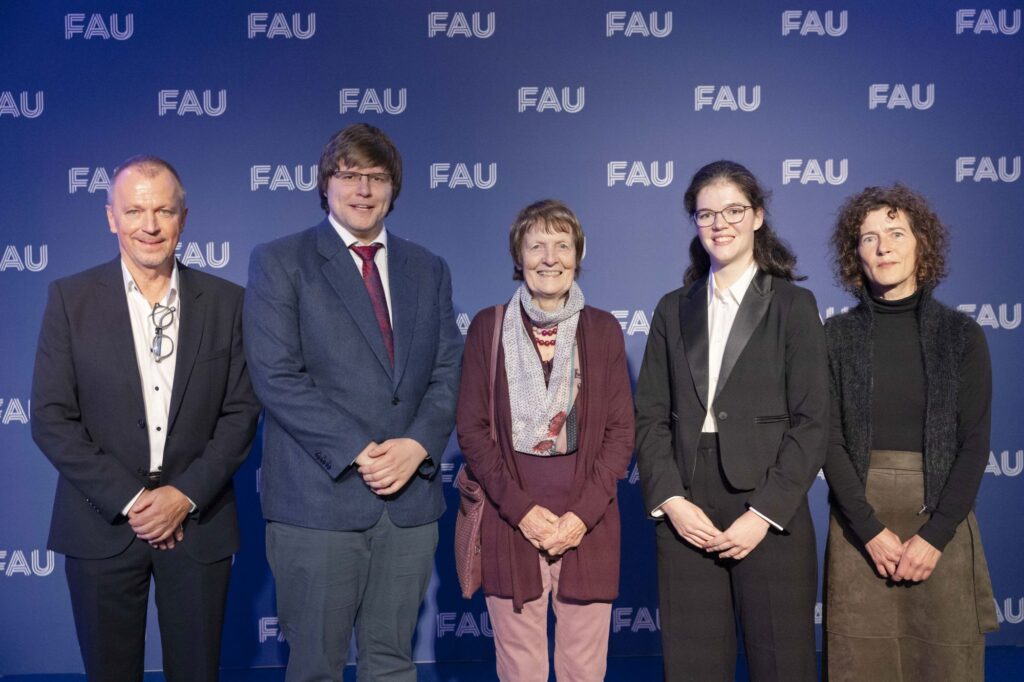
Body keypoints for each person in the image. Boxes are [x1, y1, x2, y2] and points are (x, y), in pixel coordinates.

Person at [244, 123, 462, 682]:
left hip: (409, 505)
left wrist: (416, 445)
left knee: (392, 664)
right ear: (326, 184)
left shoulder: (428, 268)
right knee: (315, 666)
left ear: (393, 188)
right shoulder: (280, 261)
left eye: (377, 176)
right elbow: (276, 376)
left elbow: (447, 370)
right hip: (319, 502)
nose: (363, 189)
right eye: (349, 175)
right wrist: (360, 451)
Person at [31, 155, 261, 682]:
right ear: (111, 217)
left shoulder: (228, 303)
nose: (149, 226)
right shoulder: (71, 300)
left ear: (184, 217)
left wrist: (182, 496)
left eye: (163, 210)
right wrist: (135, 502)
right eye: (134, 210)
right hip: (100, 525)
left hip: (198, 525)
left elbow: (240, 412)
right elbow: (50, 417)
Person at [635, 160, 828, 681]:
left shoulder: (793, 304)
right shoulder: (673, 309)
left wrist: (763, 513)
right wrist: (672, 501)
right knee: (693, 667)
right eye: (705, 214)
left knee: (782, 664)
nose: (720, 223)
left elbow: (813, 422)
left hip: (768, 504)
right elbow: (649, 416)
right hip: (686, 505)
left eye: (733, 210)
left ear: (758, 216)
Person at [822, 184, 998, 681]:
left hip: (939, 525)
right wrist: (871, 531)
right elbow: (827, 441)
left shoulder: (962, 336)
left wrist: (935, 537)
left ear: (922, 244)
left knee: (944, 663)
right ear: (854, 253)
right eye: (869, 237)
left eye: (896, 233)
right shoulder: (833, 337)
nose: (884, 247)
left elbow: (973, 444)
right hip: (860, 528)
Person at [456, 199, 634, 682]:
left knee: (583, 670)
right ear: (519, 256)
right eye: (537, 246)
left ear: (578, 254)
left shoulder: (601, 330)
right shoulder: (488, 328)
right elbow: (472, 431)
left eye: (561, 245)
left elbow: (621, 434)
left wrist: (580, 517)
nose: (549, 258)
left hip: (588, 522)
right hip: (509, 520)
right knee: (521, 670)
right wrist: (523, 513)